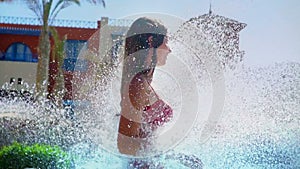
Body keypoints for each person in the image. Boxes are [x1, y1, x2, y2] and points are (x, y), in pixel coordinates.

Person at [117, 17, 173, 167]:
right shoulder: (137, 84)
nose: (169, 49)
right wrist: (168, 156)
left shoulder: (141, 82)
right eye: (166, 42)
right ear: (151, 41)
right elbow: (124, 145)